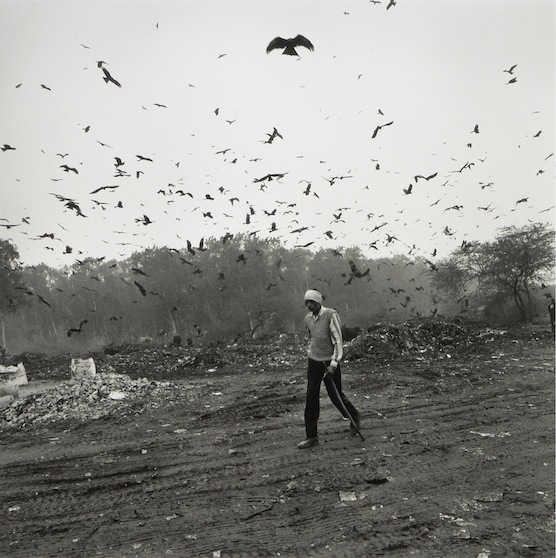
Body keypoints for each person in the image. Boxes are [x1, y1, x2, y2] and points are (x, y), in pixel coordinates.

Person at [298, 289, 361, 449]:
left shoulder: (330, 315)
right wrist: (311, 353)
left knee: (336, 396)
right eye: (307, 303)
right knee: (311, 397)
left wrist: (333, 364)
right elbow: (312, 337)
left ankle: (353, 416)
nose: (309, 306)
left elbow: (338, 341)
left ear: (318, 302)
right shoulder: (308, 319)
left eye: (311, 303)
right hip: (314, 362)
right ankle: (311, 436)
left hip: (329, 363)